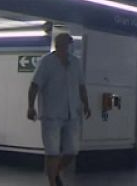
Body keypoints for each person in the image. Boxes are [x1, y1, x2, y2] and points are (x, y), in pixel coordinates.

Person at [28, 33, 92, 186]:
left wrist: (86, 104)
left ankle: (55, 171)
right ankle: (52, 182)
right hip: (51, 114)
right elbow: (34, 86)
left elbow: (81, 86)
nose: (70, 47)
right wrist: (30, 107)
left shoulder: (75, 63)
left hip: (72, 113)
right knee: (52, 151)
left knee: (72, 150)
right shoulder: (47, 62)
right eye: (68, 43)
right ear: (59, 44)